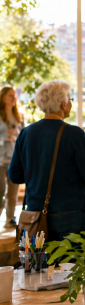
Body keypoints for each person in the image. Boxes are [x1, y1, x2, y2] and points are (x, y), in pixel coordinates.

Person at [8, 80, 85, 241]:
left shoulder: (26, 133)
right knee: (72, 265)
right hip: (71, 213)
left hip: (36, 214)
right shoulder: (74, 134)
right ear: (63, 104)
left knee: (42, 265)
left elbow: (15, 175)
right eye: (70, 100)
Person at [0, 86, 23, 228]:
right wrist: (5, 137)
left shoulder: (19, 115)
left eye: (14, 95)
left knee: (13, 192)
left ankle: (10, 219)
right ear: (2, 97)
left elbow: (23, 136)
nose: (13, 98)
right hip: (0, 159)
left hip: (15, 159)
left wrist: (16, 135)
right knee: (0, 191)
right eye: (10, 95)